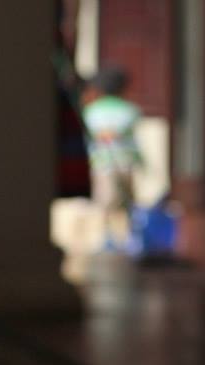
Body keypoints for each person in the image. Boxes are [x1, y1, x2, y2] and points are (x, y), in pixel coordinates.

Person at [82, 65, 142, 250]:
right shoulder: (130, 110)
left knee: (106, 203)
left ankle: (106, 238)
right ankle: (129, 239)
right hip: (126, 163)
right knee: (127, 202)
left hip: (102, 164)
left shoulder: (91, 110)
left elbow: (96, 133)